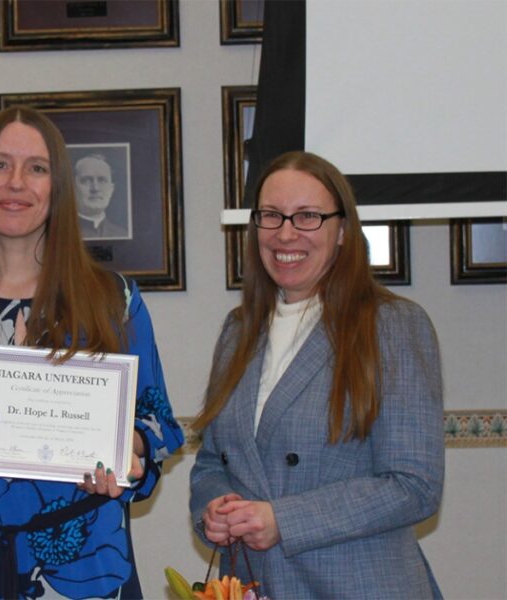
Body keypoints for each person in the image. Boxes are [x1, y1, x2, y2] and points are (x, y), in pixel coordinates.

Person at [0, 107, 185, 598]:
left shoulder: (114, 299)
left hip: (87, 567)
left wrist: (126, 458)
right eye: (0, 165)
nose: (17, 184)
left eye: (37, 168)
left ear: (58, 187)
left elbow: (155, 425)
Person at [189, 151, 444, 599]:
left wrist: (283, 521)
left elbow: (415, 486)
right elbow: (213, 461)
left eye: (307, 216)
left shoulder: (393, 325)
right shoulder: (238, 330)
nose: (285, 233)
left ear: (343, 230)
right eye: (271, 216)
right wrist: (215, 506)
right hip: (258, 585)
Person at [74, 153, 128, 240]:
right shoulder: (60, 234)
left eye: (102, 180)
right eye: (86, 180)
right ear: (73, 187)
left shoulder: (123, 234)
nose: (95, 188)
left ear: (111, 189)